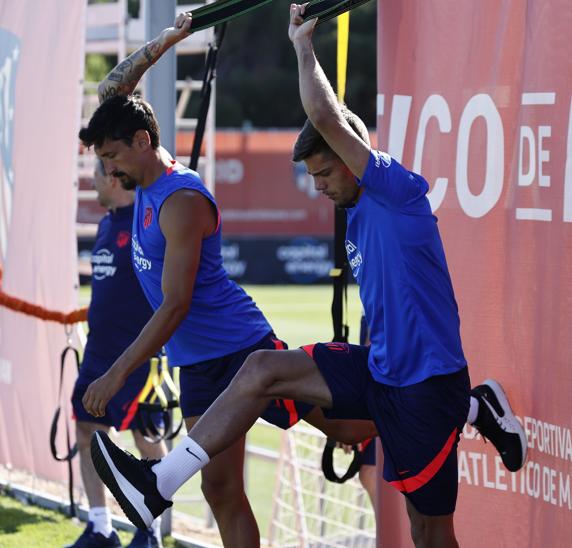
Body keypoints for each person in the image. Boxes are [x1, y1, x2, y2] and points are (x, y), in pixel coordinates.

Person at [87, 6, 528, 547]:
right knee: (263, 372)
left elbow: (324, 116)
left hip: (425, 388)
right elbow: (111, 94)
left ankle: (470, 407)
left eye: (324, 172)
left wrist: (301, 43)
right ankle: (157, 484)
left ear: (353, 156)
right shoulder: (357, 217)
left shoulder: (399, 190)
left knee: (428, 530)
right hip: (381, 370)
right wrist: (169, 39)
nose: (317, 187)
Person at [78, 12, 377, 548]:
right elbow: (113, 88)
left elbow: (174, 306)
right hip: (197, 365)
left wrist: (118, 373)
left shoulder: (182, 201)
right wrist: (168, 41)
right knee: (220, 491)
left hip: (242, 350)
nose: (108, 170)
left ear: (143, 141)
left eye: (112, 156)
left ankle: (442, 404)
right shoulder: (140, 171)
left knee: (353, 432)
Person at [68, 160, 166, 548]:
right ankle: (100, 527)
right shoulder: (106, 223)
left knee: (146, 435)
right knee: (86, 427)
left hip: (139, 356)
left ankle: (149, 531)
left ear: (112, 177)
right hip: (97, 354)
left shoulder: (147, 224)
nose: (91, 184)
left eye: (94, 177)